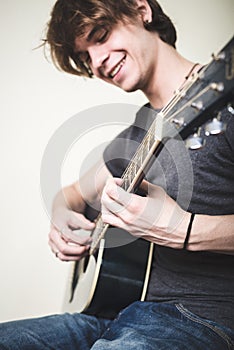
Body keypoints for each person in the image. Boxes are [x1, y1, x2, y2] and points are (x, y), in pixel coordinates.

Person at [0, 0, 234, 349]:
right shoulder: (132, 136)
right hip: (110, 314)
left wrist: (182, 229)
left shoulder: (218, 98)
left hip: (204, 318)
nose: (96, 63)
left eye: (101, 35)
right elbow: (70, 195)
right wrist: (62, 217)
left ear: (142, 10)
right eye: (85, 57)